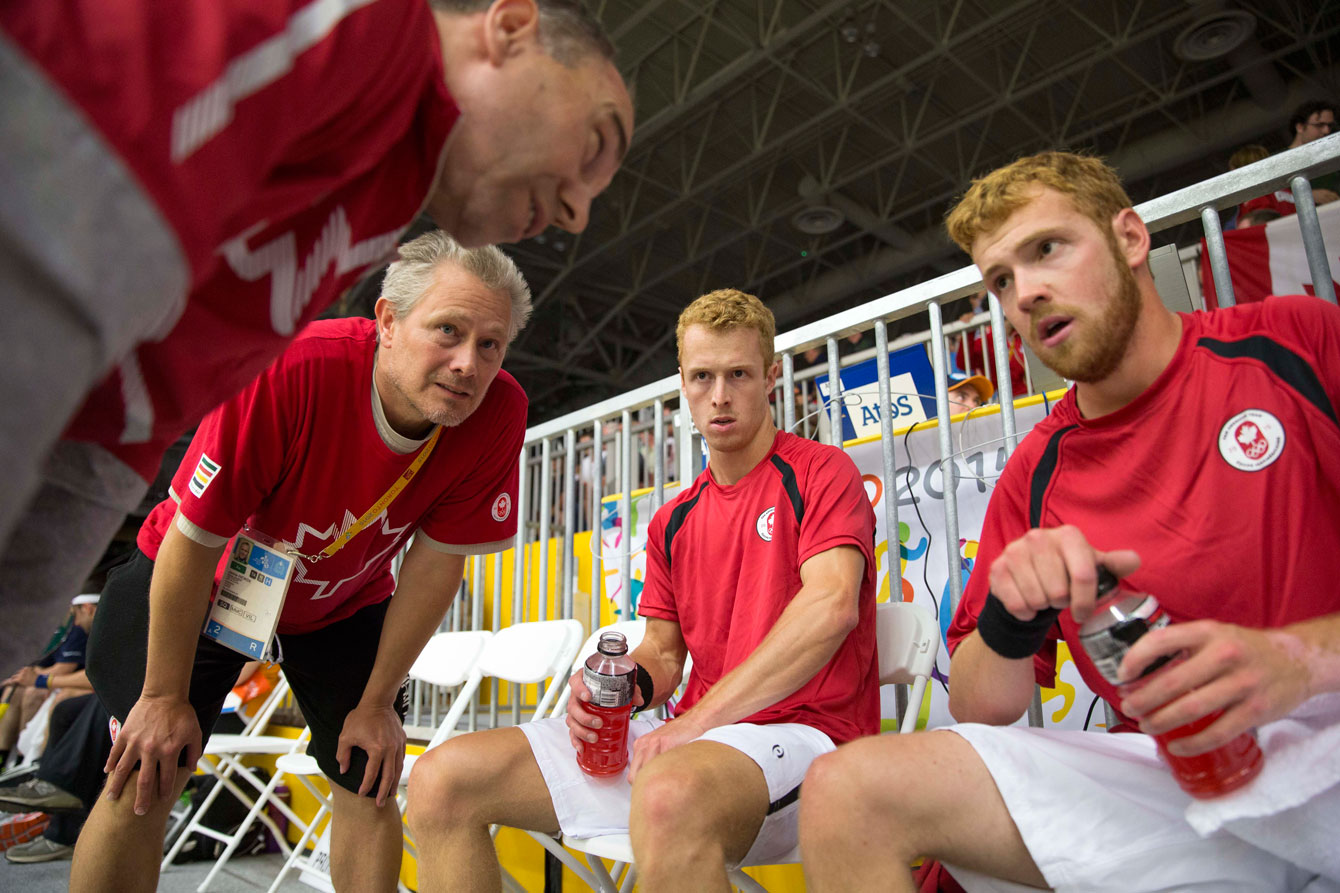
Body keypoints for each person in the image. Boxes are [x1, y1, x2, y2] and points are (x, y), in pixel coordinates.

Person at [0, 0, 634, 671]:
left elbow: (154, 378)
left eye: (488, 344)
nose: (576, 213)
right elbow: (59, 193)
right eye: (594, 145)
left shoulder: (374, 210)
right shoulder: (372, 27)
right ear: (508, 29)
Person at [799, 151, 1340, 891]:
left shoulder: (1294, 344)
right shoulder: (1037, 469)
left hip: (1328, 729)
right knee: (847, 792)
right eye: (1000, 279)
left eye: (1047, 248)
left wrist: (1295, 660)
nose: (1026, 293)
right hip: (1175, 776)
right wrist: (1008, 619)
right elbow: (980, 704)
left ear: (1129, 238)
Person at [71, 231, 533, 893]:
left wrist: (376, 703)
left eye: (490, 344)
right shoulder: (292, 367)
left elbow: (437, 564)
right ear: (389, 321)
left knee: (367, 774)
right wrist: (164, 696)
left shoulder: (499, 411)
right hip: (199, 579)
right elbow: (194, 541)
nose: (467, 363)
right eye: (448, 331)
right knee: (146, 768)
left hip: (340, 601)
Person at [405, 288, 880, 892]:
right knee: (442, 779)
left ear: (772, 377)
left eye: (739, 373)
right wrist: (611, 692)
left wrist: (693, 723)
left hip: (809, 742)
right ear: (682, 381)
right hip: (695, 741)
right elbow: (663, 652)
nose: (721, 394)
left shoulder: (821, 470)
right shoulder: (672, 519)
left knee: (667, 792)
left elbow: (831, 604)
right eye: (703, 376)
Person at [0, 595, 98, 766]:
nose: (74, 622)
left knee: (50, 695)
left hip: (105, 694)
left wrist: (42, 681)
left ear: (88, 608)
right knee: (15, 691)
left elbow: (92, 675)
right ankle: (9, 760)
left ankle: (34, 765)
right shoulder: (82, 629)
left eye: (75, 615)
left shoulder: (92, 630)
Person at [1238, 99, 1339, 220]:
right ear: (1300, 127)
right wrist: (1306, 196)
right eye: (1319, 125)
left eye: (1330, 126)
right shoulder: (1275, 161)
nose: (1326, 131)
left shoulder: (1334, 157)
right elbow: (1269, 198)